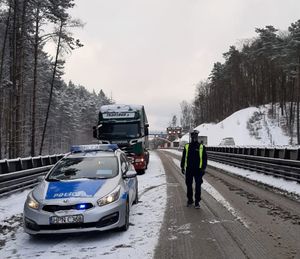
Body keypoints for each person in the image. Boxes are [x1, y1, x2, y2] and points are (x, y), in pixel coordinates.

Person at [180, 130, 207, 209]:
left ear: (197, 137)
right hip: (189, 169)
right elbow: (184, 157)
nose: (194, 138)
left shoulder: (201, 147)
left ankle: (197, 202)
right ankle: (190, 200)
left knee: (198, 186)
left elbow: (205, 159)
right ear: (191, 137)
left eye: (195, 136)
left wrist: (203, 168)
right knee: (189, 185)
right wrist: (182, 167)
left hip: (198, 170)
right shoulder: (187, 146)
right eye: (193, 136)